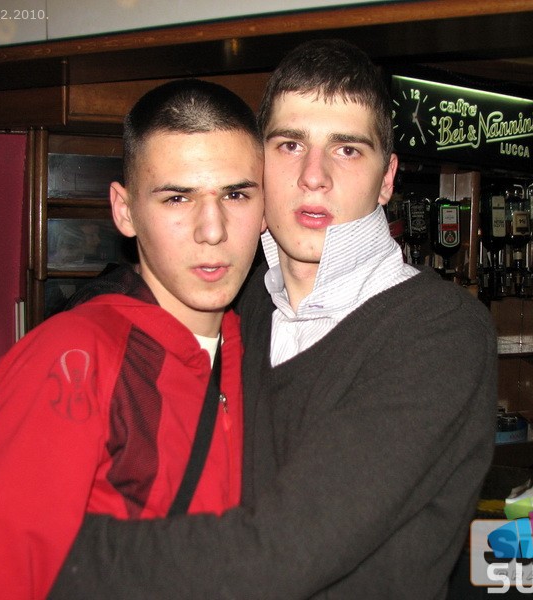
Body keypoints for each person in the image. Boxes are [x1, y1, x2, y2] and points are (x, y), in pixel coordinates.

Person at [50, 39, 497, 599]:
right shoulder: (241, 305)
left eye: (347, 149)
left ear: (387, 178)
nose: (314, 176)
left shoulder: (440, 331)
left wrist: (54, 553)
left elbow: (281, 552)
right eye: (290, 145)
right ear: (258, 163)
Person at [0, 79, 266, 599]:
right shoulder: (73, 356)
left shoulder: (270, 346)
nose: (213, 230)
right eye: (177, 197)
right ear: (124, 210)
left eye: (236, 195)